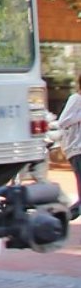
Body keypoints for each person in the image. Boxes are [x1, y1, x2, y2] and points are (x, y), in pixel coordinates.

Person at [57, 73, 81, 218]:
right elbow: (63, 121)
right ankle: (65, 215)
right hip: (77, 149)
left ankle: (67, 214)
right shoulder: (76, 99)